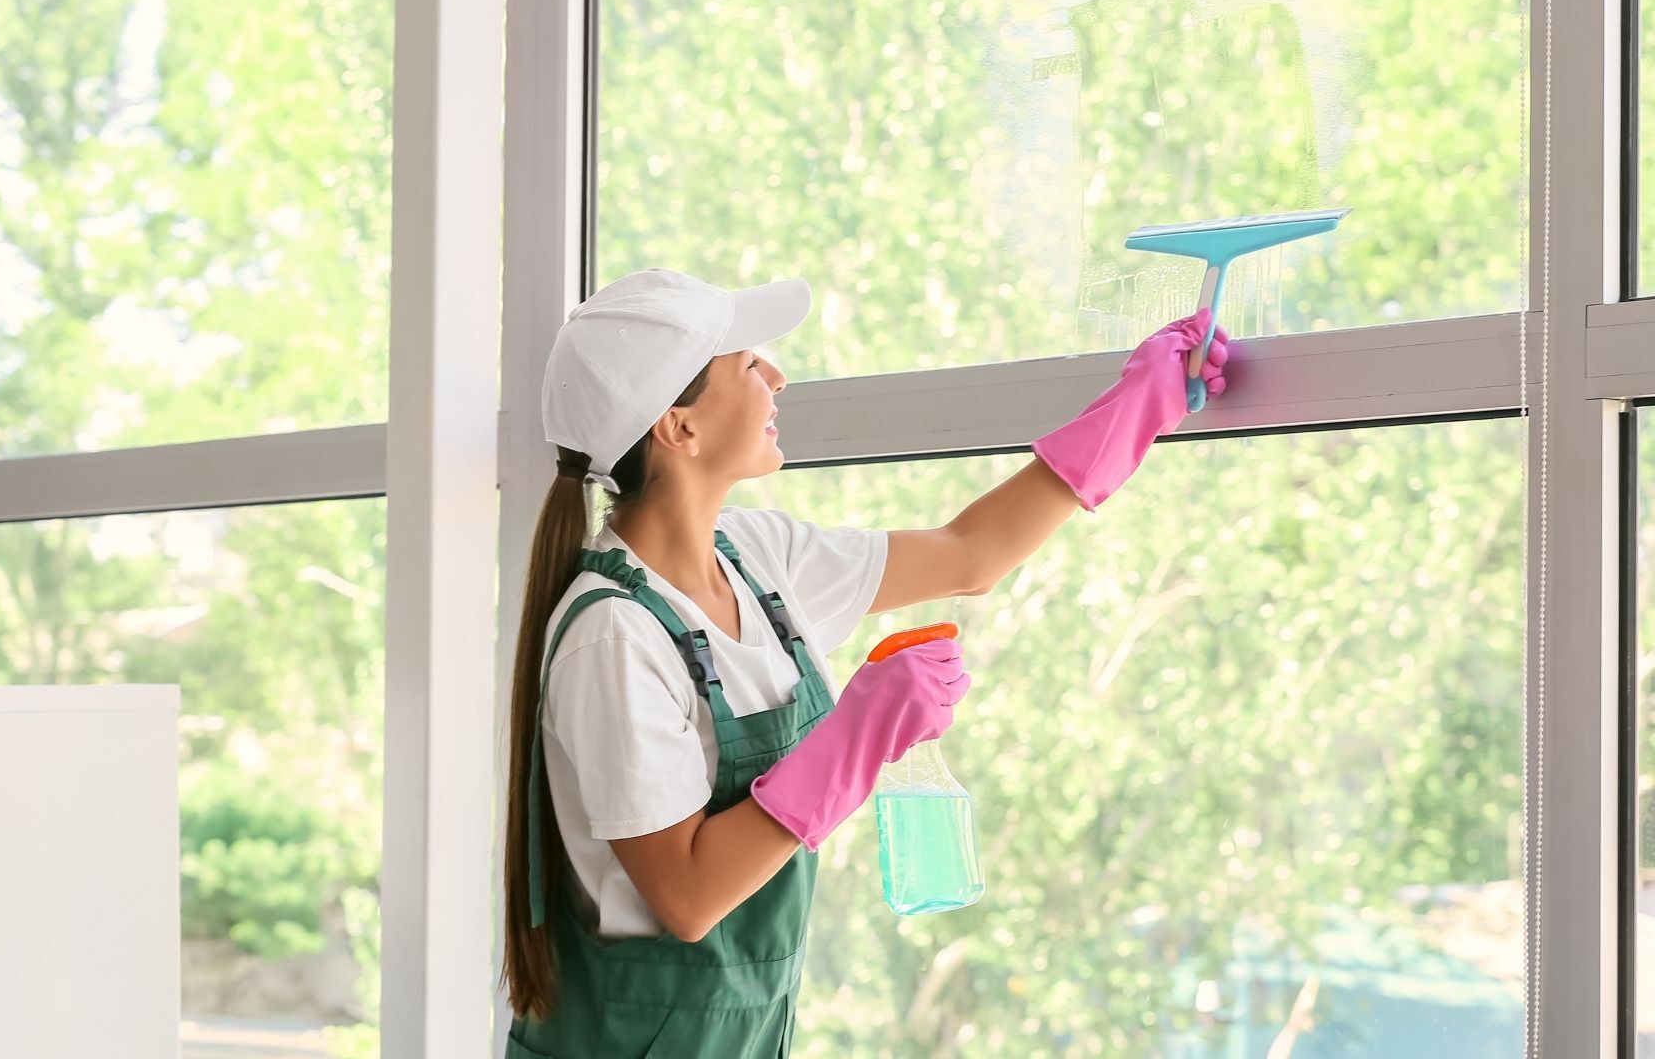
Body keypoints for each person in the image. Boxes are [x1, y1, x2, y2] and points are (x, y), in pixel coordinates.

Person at [502, 268, 1230, 1057]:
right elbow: (686, 895)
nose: (777, 376)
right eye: (749, 364)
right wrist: (857, 735)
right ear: (678, 427)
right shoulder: (615, 636)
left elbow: (969, 555)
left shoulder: (753, 555)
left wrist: (1135, 410)